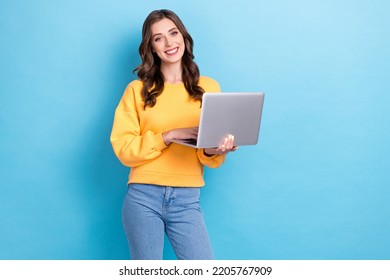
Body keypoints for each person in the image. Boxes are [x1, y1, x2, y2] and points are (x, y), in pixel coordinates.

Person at [110, 9, 237, 260]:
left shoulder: (208, 88)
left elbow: (206, 153)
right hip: (143, 197)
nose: (169, 43)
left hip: (187, 199)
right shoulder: (137, 90)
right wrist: (167, 135)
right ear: (152, 48)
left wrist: (216, 149)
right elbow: (124, 148)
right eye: (158, 38)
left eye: (173, 33)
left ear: (184, 37)